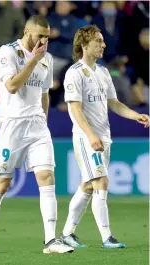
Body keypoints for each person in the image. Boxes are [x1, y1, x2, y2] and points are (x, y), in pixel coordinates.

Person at [0, 15, 74, 254]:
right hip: (11, 126)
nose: (44, 41)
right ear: (26, 31)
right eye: (39, 36)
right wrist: (33, 60)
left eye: (47, 37)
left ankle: (51, 240)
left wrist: (44, 121)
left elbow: (44, 94)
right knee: (2, 183)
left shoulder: (47, 59)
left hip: (38, 127)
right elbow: (11, 86)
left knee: (47, 177)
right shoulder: (7, 53)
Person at [61, 25, 149, 248]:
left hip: (104, 136)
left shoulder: (103, 72)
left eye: (102, 41)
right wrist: (90, 135)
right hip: (85, 137)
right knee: (101, 180)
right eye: (98, 41)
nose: (104, 45)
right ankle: (106, 237)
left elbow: (114, 103)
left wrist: (135, 115)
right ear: (84, 45)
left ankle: (67, 234)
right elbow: (75, 109)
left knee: (88, 186)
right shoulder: (74, 73)